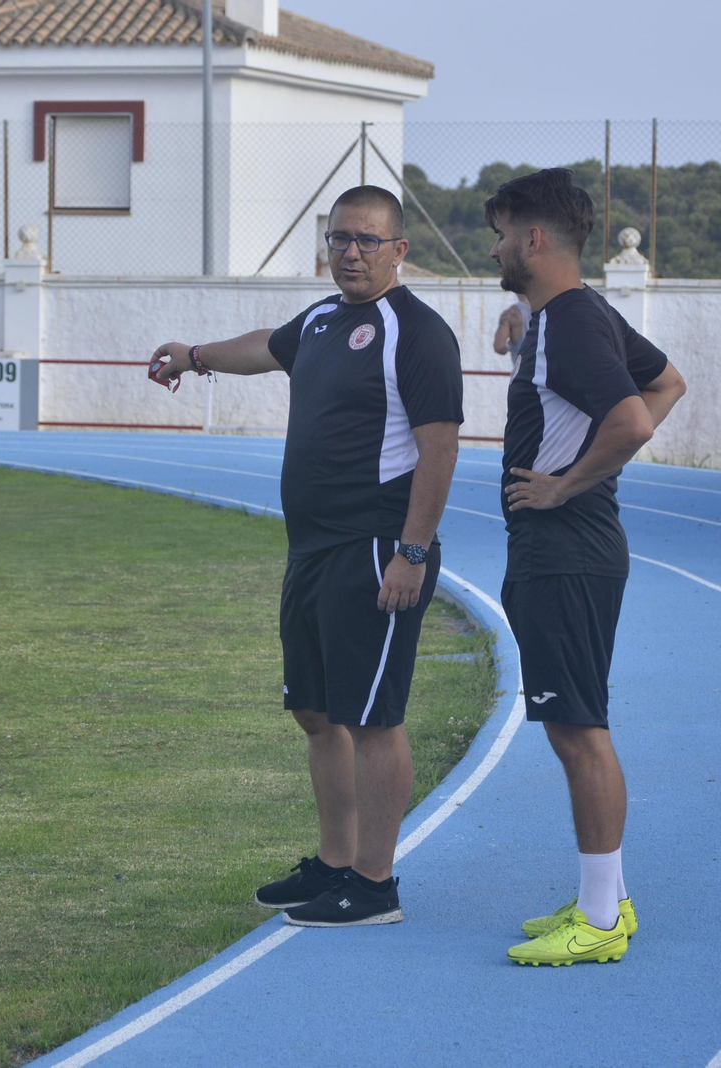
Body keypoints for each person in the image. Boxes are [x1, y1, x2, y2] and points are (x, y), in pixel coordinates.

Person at [149, 185, 463, 926]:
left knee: (375, 717)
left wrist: (412, 551)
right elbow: (268, 346)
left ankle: (375, 883)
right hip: (313, 549)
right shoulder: (324, 319)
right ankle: (334, 864)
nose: (351, 253)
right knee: (318, 714)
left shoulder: (416, 332)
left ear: (399, 250)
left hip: (378, 547)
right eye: (339, 239)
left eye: (367, 241)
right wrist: (194, 355)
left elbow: (440, 446)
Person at [486, 168, 687, 966]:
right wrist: (522, 321)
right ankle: (608, 901)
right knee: (579, 726)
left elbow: (635, 417)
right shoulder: (572, 315)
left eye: (503, 234)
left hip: (565, 550)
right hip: (571, 549)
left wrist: (570, 481)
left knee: (579, 731)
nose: (497, 248)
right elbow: (668, 381)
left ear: (535, 240)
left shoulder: (570, 325)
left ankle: (601, 923)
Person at [492, 297, 530, 363]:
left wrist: (510, 346)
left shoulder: (511, 312)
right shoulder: (548, 307)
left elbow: (499, 347)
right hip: (546, 370)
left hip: (523, 369)